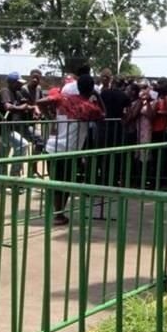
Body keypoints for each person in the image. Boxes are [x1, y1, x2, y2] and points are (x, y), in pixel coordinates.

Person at [44, 74, 104, 225]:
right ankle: (58, 215)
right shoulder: (89, 107)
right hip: (68, 149)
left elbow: (41, 101)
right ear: (91, 89)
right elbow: (104, 113)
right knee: (64, 184)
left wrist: (50, 116)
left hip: (52, 146)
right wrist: (97, 95)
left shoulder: (64, 99)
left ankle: (59, 213)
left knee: (57, 183)